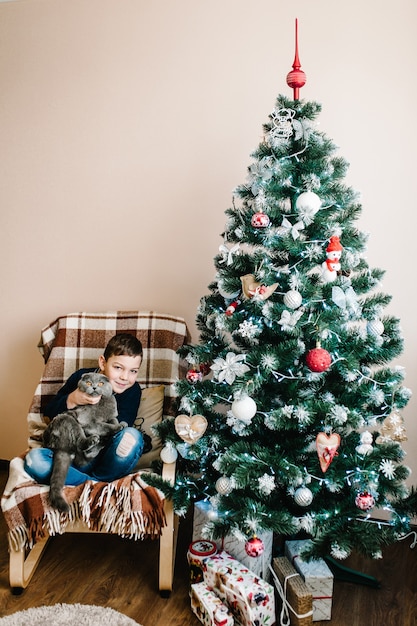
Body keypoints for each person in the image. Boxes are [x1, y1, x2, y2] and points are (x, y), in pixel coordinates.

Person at [24, 333, 145, 486]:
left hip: (104, 457)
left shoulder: (132, 390)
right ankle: (93, 484)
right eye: (118, 368)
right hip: (72, 455)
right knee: (34, 460)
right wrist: (72, 399)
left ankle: (89, 480)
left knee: (131, 436)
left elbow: (119, 428)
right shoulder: (82, 377)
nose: (125, 377)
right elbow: (50, 412)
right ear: (103, 362)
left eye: (133, 371)